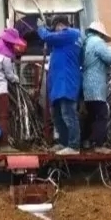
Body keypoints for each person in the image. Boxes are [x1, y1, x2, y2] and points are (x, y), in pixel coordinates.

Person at [37, 16, 83, 155]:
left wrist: (41, 27)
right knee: (57, 115)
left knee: (68, 114)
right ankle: (63, 143)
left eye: (54, 28)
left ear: (59, 25)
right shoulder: (66, 40)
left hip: (66, 82)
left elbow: (46, 36)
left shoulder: (71, 33)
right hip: (58, 83)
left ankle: (74, 146)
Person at [81, 21, 111, 153]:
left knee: (91, 114)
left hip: (86, 85)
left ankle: (86, 141)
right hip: (96, 85)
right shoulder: (97, 42)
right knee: (102, 114)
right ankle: (99, 144)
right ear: (100, 33)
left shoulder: (85, 43)